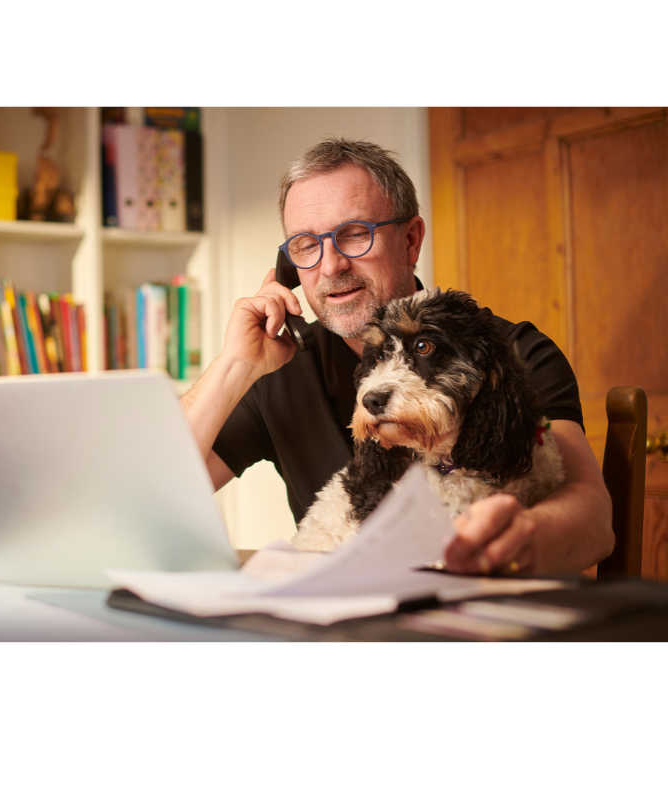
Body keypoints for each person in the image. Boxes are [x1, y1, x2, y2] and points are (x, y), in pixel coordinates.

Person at [181, 138, 614, 576]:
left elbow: (594, 521)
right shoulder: (279, 366)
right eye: (306, 245)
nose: (330, 267)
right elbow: (146, 490)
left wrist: (509, 541)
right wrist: (234, 365)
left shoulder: (510, 354)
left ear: (410, 241)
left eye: (354, 234)